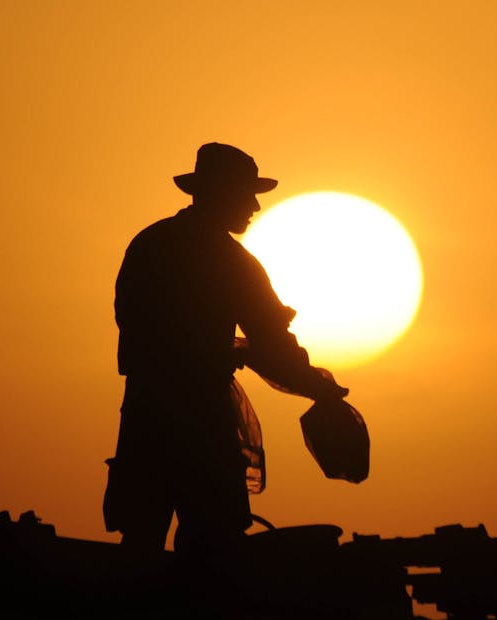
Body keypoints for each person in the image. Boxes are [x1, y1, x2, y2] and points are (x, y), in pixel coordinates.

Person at [105, 142, 348, 555]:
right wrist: (316, 385)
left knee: (141, 540)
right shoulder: (231, 261)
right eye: (246, 194)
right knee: (213, 541)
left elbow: (131, 321)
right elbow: (271, 340)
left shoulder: (150, 244)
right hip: (201, 418)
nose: (254, 205)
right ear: (222, 194)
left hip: (144, 413)